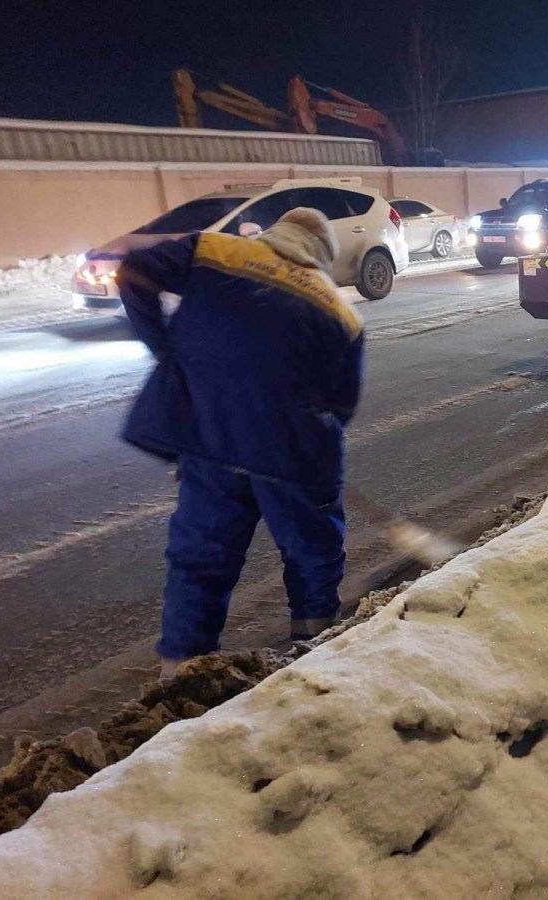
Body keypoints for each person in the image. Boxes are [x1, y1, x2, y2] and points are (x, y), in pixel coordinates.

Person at [116, 208, 364, 679]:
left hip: (212, 443)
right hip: (291, 458)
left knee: (201, 558)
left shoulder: (217, 250)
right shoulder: (340, 310)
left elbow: (134, 272)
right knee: (313, 555)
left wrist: (166, 348)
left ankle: (181, 673)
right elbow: (342, 404)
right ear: (322, 256)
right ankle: (312, 654)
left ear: (278, 232)